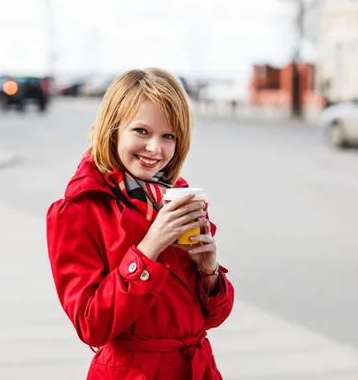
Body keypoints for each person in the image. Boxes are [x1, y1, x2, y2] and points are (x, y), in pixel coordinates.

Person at [46, 68, 235, 379]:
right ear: (113, 130)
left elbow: (212, 317)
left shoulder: (178, 197)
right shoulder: (78, 210)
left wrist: (209, 272)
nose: (155, 149)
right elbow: (90, 325)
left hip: (195, 368)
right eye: (142, 131)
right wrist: (149, 248)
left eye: (168, 136)